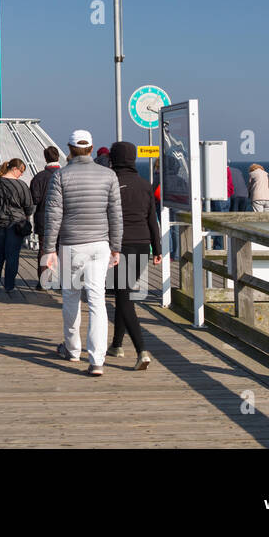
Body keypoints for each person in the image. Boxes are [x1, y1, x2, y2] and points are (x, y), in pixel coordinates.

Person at [41, 129, 122, 377]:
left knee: (71, 297)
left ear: (70, 148)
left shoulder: (61, 176)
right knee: (97, 300)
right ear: (91, 147)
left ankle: (73, 349)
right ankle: (97, 359)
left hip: (72, 245)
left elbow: (53, 215)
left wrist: (48, 249)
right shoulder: (109, 175)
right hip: (100, 245)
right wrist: (116, 246)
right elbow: (115, 213)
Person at [106, 142, 162, 370]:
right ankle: (117, 344)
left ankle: (141, 350)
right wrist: (157, 249)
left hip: (118, 245)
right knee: (124, 293)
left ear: (114, 158)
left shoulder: (110, 182)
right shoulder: (145, 184)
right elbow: (152, 219)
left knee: (124, 296)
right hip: (142, 244)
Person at [0, 159, 33, 295]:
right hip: (16, 224)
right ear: (15, 169)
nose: (21, 174)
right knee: (12, 254)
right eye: (21, 171)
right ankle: (9, 285)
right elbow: (29, 206)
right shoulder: (21, 186)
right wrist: (25, 214)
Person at [30, 145, 62, 245]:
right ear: (58, 157)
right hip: (62, 220)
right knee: (61, 251)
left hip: (43, 219)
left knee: (44, 250)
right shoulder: (66, 175)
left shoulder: (38, 177)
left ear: (45, 159)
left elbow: (34, 200)